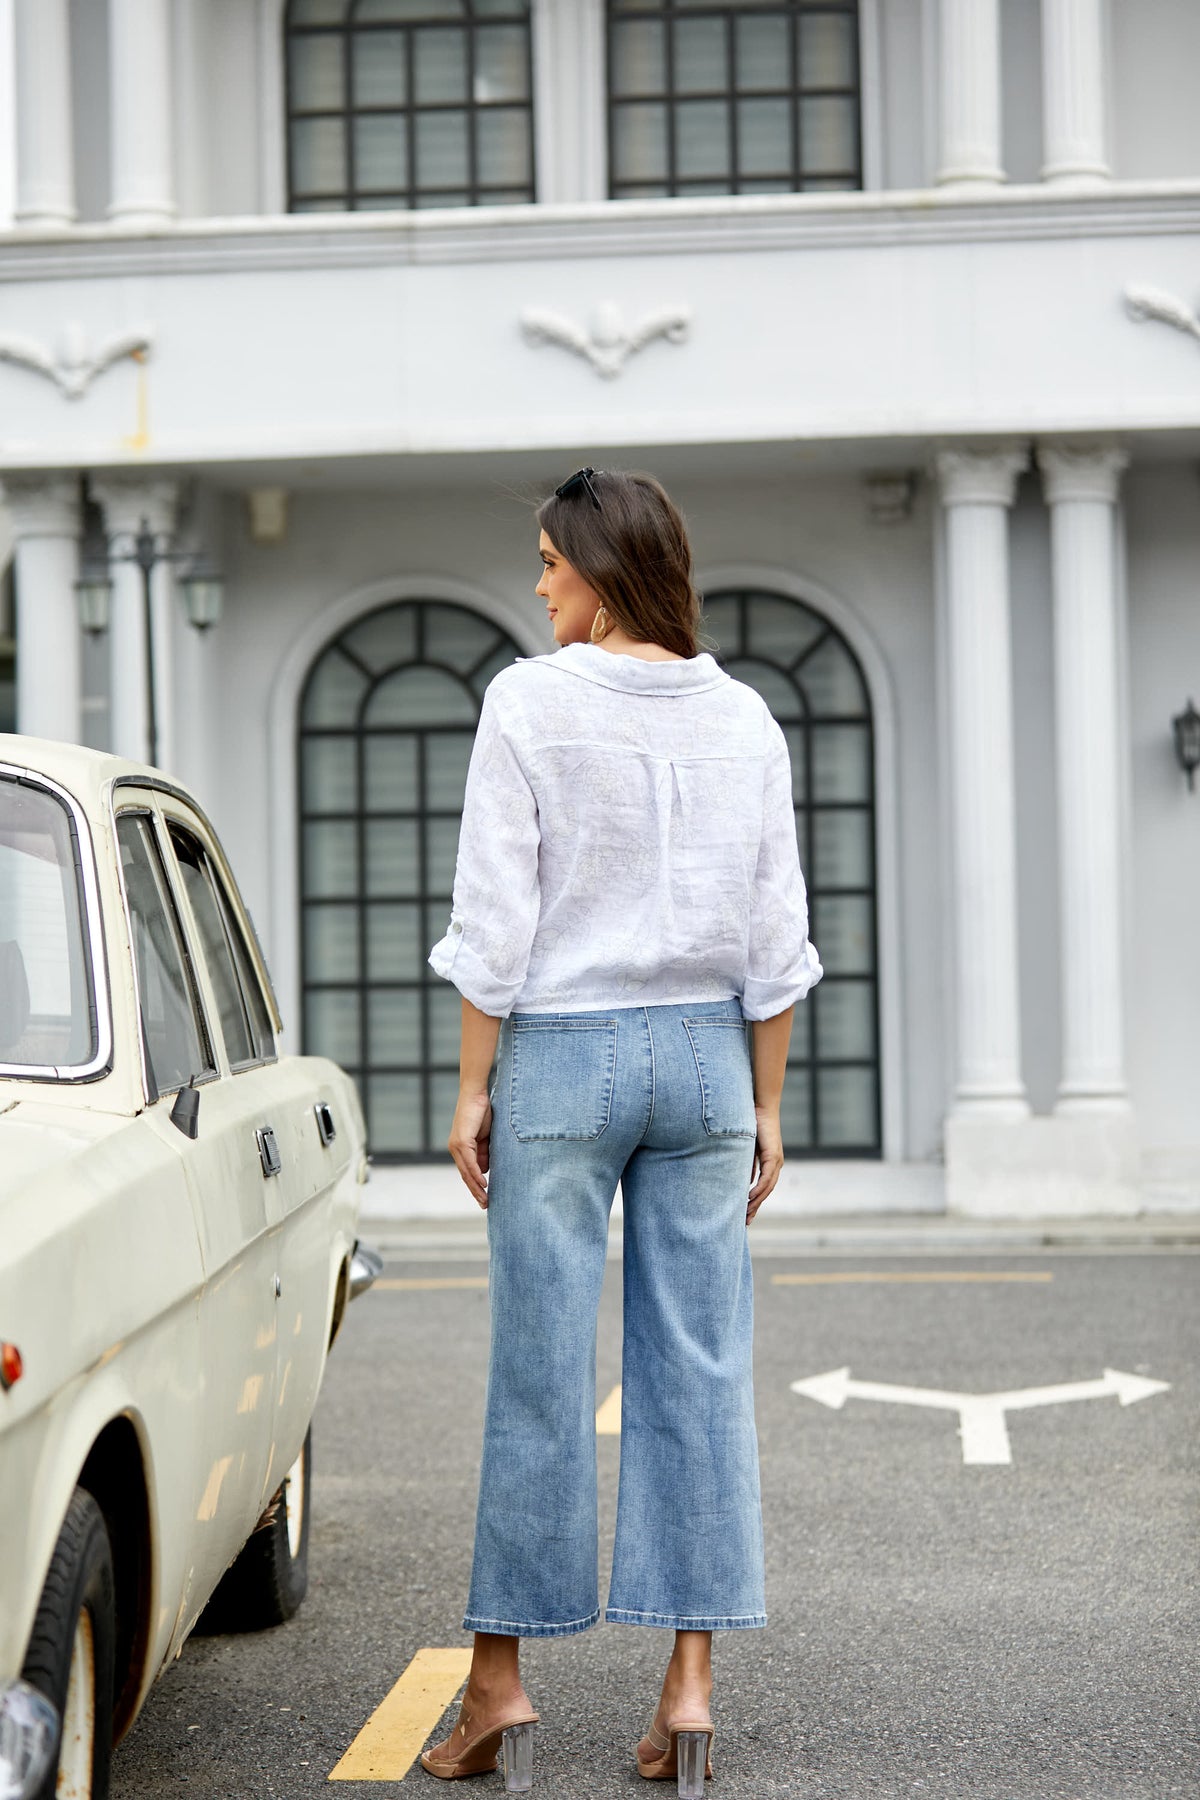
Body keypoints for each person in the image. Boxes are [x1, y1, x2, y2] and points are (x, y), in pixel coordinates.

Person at [421, 467, 822, 1795]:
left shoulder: (529, 703)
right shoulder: (745, 717)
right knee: (700, 1367)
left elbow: (496, 915)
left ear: (602, 572)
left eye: (551, 562)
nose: (539, 584)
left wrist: (472, 1086)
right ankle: (689, 1689)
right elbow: (775, 935)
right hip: (707, 1059)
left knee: (538, 1368)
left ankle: (498, 1684)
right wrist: (767, 1104)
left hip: (563, 1057)